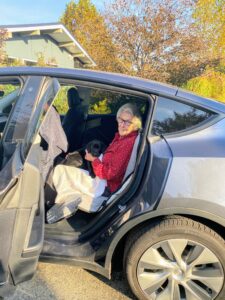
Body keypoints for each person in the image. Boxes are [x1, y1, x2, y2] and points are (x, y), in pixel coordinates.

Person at [46, 103, 142, 223]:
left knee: (60, 170)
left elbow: (110, 174)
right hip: (102, 178)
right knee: (66, 168)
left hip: (105, 186)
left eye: (128, 122)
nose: (123, 125)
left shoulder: (127, 143)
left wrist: (93, 160)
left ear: (136, 124)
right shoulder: (122, 137)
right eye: (121, 120)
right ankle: (67, 200)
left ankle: (63, 202)